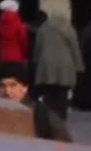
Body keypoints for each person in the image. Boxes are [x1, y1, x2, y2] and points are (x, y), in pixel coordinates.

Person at [31, 8, 81, 141]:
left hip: (47, 66)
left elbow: (38, 48)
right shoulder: (69, 29)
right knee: (62, 93)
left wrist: (35, 62)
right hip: (65, 65)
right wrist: (79, 65)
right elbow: (75, 48)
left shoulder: (42, 29)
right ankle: (61, 118)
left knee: (49, 94)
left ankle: (50, 117)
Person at [0, 0, 31, 79]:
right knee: (16, 79)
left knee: (4, 79)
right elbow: (23, 42)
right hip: (17, 56)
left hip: (2, 56)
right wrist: (25, 56)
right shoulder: (19, 24)